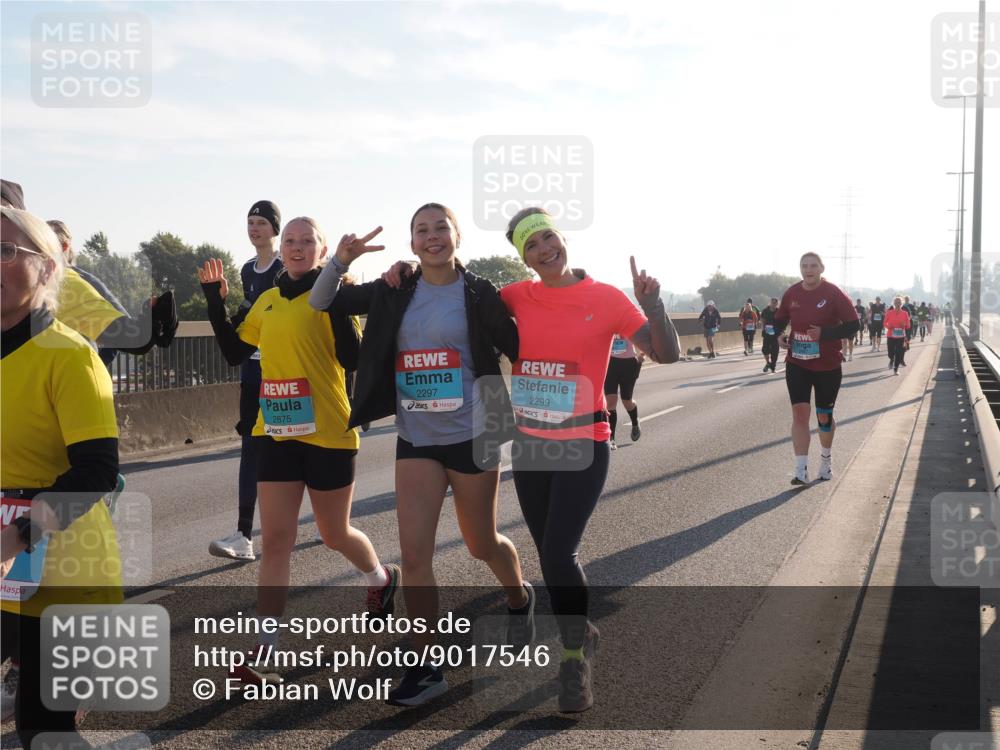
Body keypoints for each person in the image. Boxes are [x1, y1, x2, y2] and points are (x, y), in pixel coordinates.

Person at [309, 203, 533, 707]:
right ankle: (425, 664)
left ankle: (520, 596)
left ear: (457, 238)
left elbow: (521, 347)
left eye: (441, 229)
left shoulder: (480, 292)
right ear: (412, 245)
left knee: (481, 543)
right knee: (414, 556)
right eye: (422, 231)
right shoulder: (396, 288)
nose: (432, 237)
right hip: (417, 436)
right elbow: (323, 303)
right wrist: (339, 261)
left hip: (477, 429)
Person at [198, 216, 399, 687]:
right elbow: (232, 350)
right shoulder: (266, 300)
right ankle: (266, 647)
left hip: (328, 432)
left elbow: (353, 359)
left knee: (333, 534)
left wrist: (332, 299)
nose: (296, 246)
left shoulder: (331, 296)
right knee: (277, 541)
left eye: (307, 241)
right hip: (275, 432)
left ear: (322, 251)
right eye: (289, 239)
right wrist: (214, 300)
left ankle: (380, 578)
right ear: (281, 247)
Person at [500, 207, 680, 712]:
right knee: (550, 560)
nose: (544, 250)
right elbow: (458, 305)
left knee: (560, 554)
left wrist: (654, 304)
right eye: (532, 246)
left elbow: (666, 353)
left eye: (549, 238)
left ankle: (574, 657)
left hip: (584, 441)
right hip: (530, 445)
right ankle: (583, 632)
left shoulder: (605, 298)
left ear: (562, 239)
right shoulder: (514, 296)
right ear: (524, 258)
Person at [1, 207, 123, 746]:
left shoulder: (70, 356)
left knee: (42, 732)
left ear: (48, 268)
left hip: (64, 569)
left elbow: (97, 470)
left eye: (6, 251)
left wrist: (19, 533)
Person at [209, 201, 284, 562]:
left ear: (275, 229)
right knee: (250, 451)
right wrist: (223, 304)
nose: (254, 228)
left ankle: (331, 515)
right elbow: (249, 316)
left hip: (285, 375)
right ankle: (243, 534)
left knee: (297, 449)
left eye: (261, 223)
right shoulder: (247, 269)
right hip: (253, 373)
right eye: (250, 222)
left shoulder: (287, 268)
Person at [774, 252, 859, 484]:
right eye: (804, 266)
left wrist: (825, 334)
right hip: (797, 362)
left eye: (813, 266)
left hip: (827, 365)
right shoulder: (792, 293)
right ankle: (800, 470)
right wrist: (779, 334)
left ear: (821, 268)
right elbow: (778, 320)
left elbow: (854, 325)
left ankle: (826, 460)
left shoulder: (833, 293)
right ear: (800, 268)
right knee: (800, 414)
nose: (808, 270)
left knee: (824, 416)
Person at [605, 334, 644, 449]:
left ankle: (635, 422)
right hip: (610, 362)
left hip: (629, 364)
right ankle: (611, 439)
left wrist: (640, 355)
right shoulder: (606, 317)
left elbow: (640, 335)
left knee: (626, 400)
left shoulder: (629, 317)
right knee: (610, 402)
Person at [884, 297, 910, 375]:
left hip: (900, 336)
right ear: (894, 303)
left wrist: (904, 324)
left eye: (899, 302)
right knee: (890, 352)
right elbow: (884, 323)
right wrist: (889, 327)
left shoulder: (905, 313)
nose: (897, 303)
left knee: (899, 352)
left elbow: (908, 325)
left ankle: (896, 369)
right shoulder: (889, 312)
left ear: (901, 304)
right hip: (891, 335)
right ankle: (892, 359)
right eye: (896, 302)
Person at [759, 297, 780, 373]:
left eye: (775, 303)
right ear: (770, 303)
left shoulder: (779, 311)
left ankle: (773, 365)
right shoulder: (765, 311)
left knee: (775, 351)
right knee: (765, 349)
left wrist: (781, 332)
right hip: (767, 333)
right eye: (772, 302)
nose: (773, 304)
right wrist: (763, 329)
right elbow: (762, 320)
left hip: (776, 334)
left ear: (777, 304)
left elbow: (782, 322)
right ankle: (768, 362)